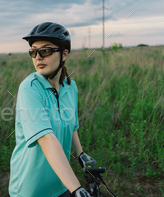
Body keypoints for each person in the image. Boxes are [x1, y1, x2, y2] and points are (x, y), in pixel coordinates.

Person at [8, 22, 97, 197]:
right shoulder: (30, 88)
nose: (38, 57)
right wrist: (77, 188)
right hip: (31, 189)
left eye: (46, 51)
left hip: (61, 183)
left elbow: (71, 126)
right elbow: (46, 139)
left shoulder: (71, 87)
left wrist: (81, 155)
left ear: (64, 54)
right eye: (33, 52)